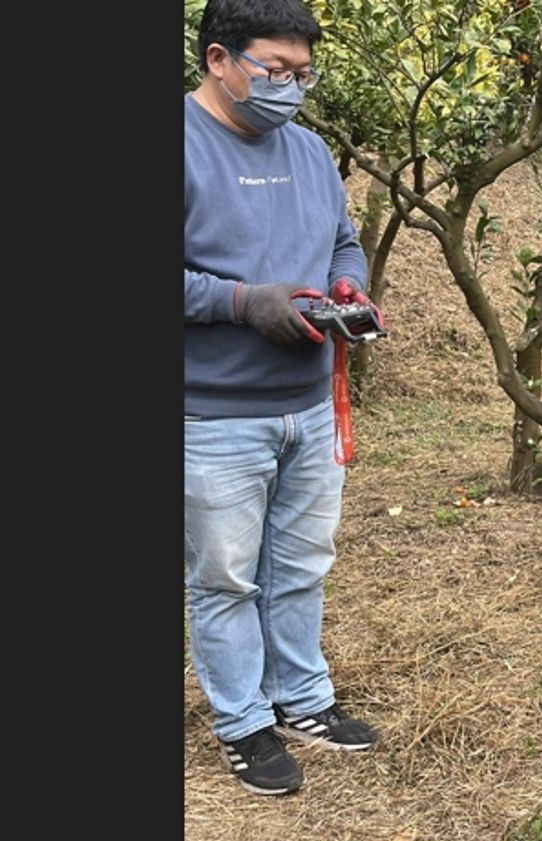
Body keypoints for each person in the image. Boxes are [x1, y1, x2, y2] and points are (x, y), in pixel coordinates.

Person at [185, 0, 380, 795]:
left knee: (301, 564)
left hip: (307, 403)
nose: (291, 88)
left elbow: (342, 237)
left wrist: (348, 285)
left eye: (303, 74)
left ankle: (302, 698)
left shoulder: (307, 150)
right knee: (226, 577)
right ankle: (243, 723)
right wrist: (244, 303)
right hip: (214, 413)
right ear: (219, 60)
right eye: (275, 71)